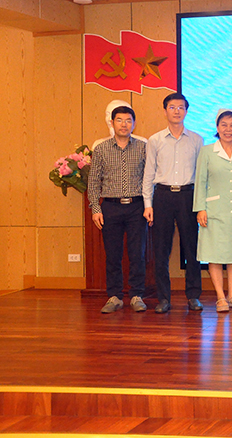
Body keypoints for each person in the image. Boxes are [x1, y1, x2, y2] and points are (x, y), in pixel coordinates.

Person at [142, 92, 204, 314]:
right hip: (163, 197)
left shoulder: (197, 140)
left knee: (192, 248)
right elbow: (149, 173)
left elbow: (201, 175)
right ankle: (163, 298)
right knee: (161, 250)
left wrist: (201, 205)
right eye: (172, 107)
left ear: (186, 111)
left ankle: (193, 296)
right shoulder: (155, 140)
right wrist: (148, 204)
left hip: (188, 196)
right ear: (165, 110)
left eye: (181, 107)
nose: (177, 111)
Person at [87, 105, 148, 314]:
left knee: (137, 254)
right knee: (112, 255)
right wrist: (96, 208)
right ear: (112, 123)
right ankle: (114, 296)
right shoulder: (101, 149)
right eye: (120, 120)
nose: (124, 124)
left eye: (128, 120)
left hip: (137, 206)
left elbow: (149, 179)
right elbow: (93, 181)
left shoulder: (143, 147)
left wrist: (149, 205)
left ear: (134, 123)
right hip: (110, 207)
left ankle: (137, 295)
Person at [194, 110, 232, 312]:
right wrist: (200, 208)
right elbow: (200, 181)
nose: (228, 129)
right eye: (224, 125)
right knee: (215, 253)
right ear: (217, 128)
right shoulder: (207, 151)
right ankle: (220, 297)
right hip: (213, 210)